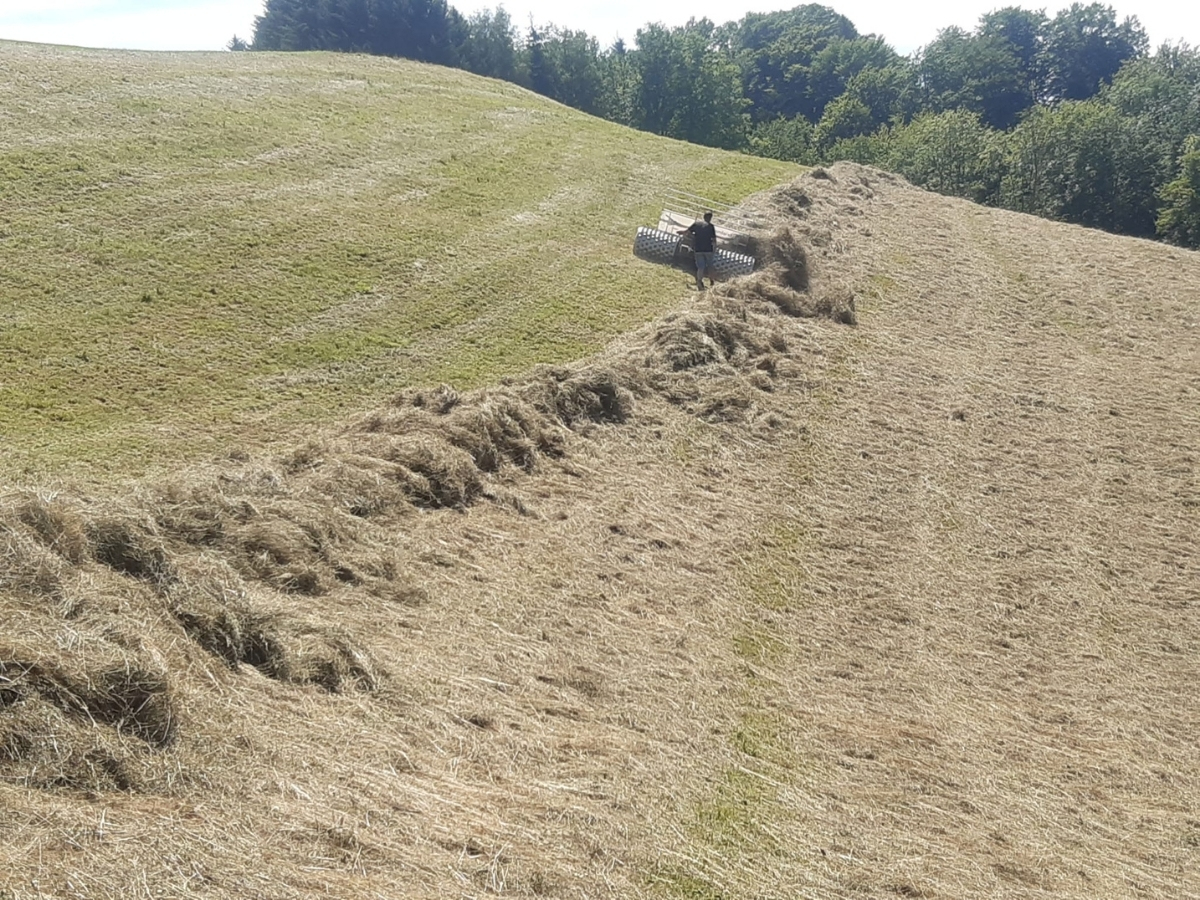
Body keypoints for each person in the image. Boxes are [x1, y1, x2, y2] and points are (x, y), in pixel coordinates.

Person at [679, 212, 717, 290]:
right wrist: (714, 249)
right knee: (710, 266)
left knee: (701, 267)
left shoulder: (697, 224)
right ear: (710, 218)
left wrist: (680, 232)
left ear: (704, 217)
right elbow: (713, 240)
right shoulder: (711, 227)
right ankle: (712, 281)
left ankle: (699, 281)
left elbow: (687, 232)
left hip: (698, 249)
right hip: (708, 249)